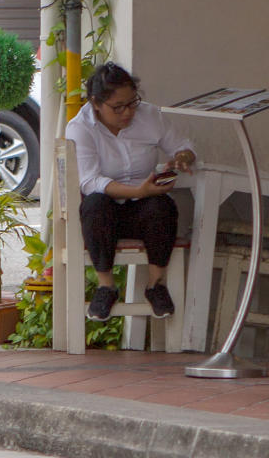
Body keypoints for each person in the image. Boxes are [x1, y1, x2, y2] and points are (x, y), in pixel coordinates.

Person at [65, 62, 196, 321]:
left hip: (143, 210)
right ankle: (106, 286)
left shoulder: (149, 116)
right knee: (94, 204)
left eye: (132, 103)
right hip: (106, 214)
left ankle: (155, 284)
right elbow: (90, 181)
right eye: (118, 107)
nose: (127, 112)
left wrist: (182, 158)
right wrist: (138, 189)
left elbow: (183, 145)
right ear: (96, 104)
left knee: (163, 206)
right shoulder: (80, 128)